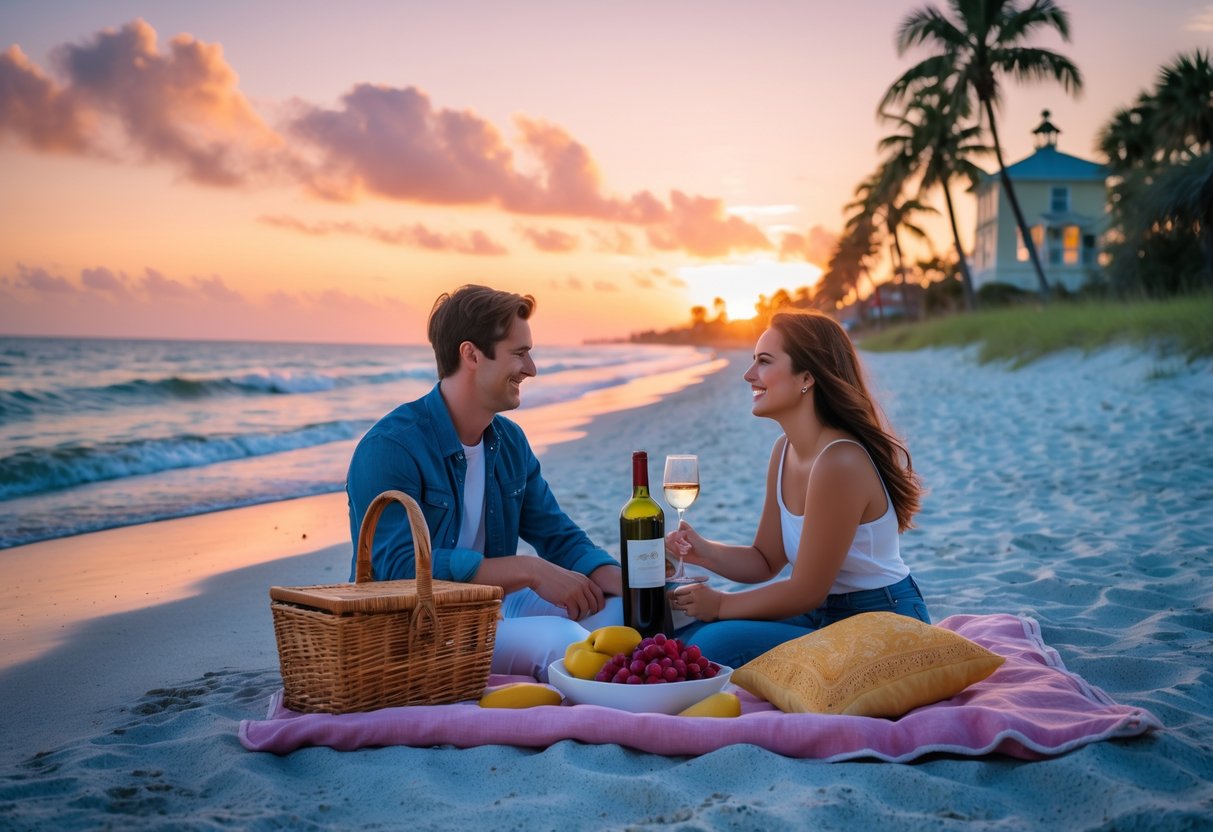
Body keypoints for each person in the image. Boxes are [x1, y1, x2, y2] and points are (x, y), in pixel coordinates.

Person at [346, 284, 623, 679]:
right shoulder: (391, 447)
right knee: (565, 643)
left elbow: (558, 535)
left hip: (494, 608)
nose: (532, 369)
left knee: (626, 614)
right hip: (416, 629)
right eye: (519, 353)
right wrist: (528, 570)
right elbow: (395, 569)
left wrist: (628, 582)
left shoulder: (509, 442)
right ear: (471, 354)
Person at [666, 308, 929, 668]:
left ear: (807, 377)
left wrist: (722, 604)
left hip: (880, 618)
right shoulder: (784, 450)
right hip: (822, 612)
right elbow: (765, 560)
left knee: (709, 645)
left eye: (763, 361)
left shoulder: (840, 462)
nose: (748, 374)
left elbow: (806, 590)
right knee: (684, 632)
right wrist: (704, 551)